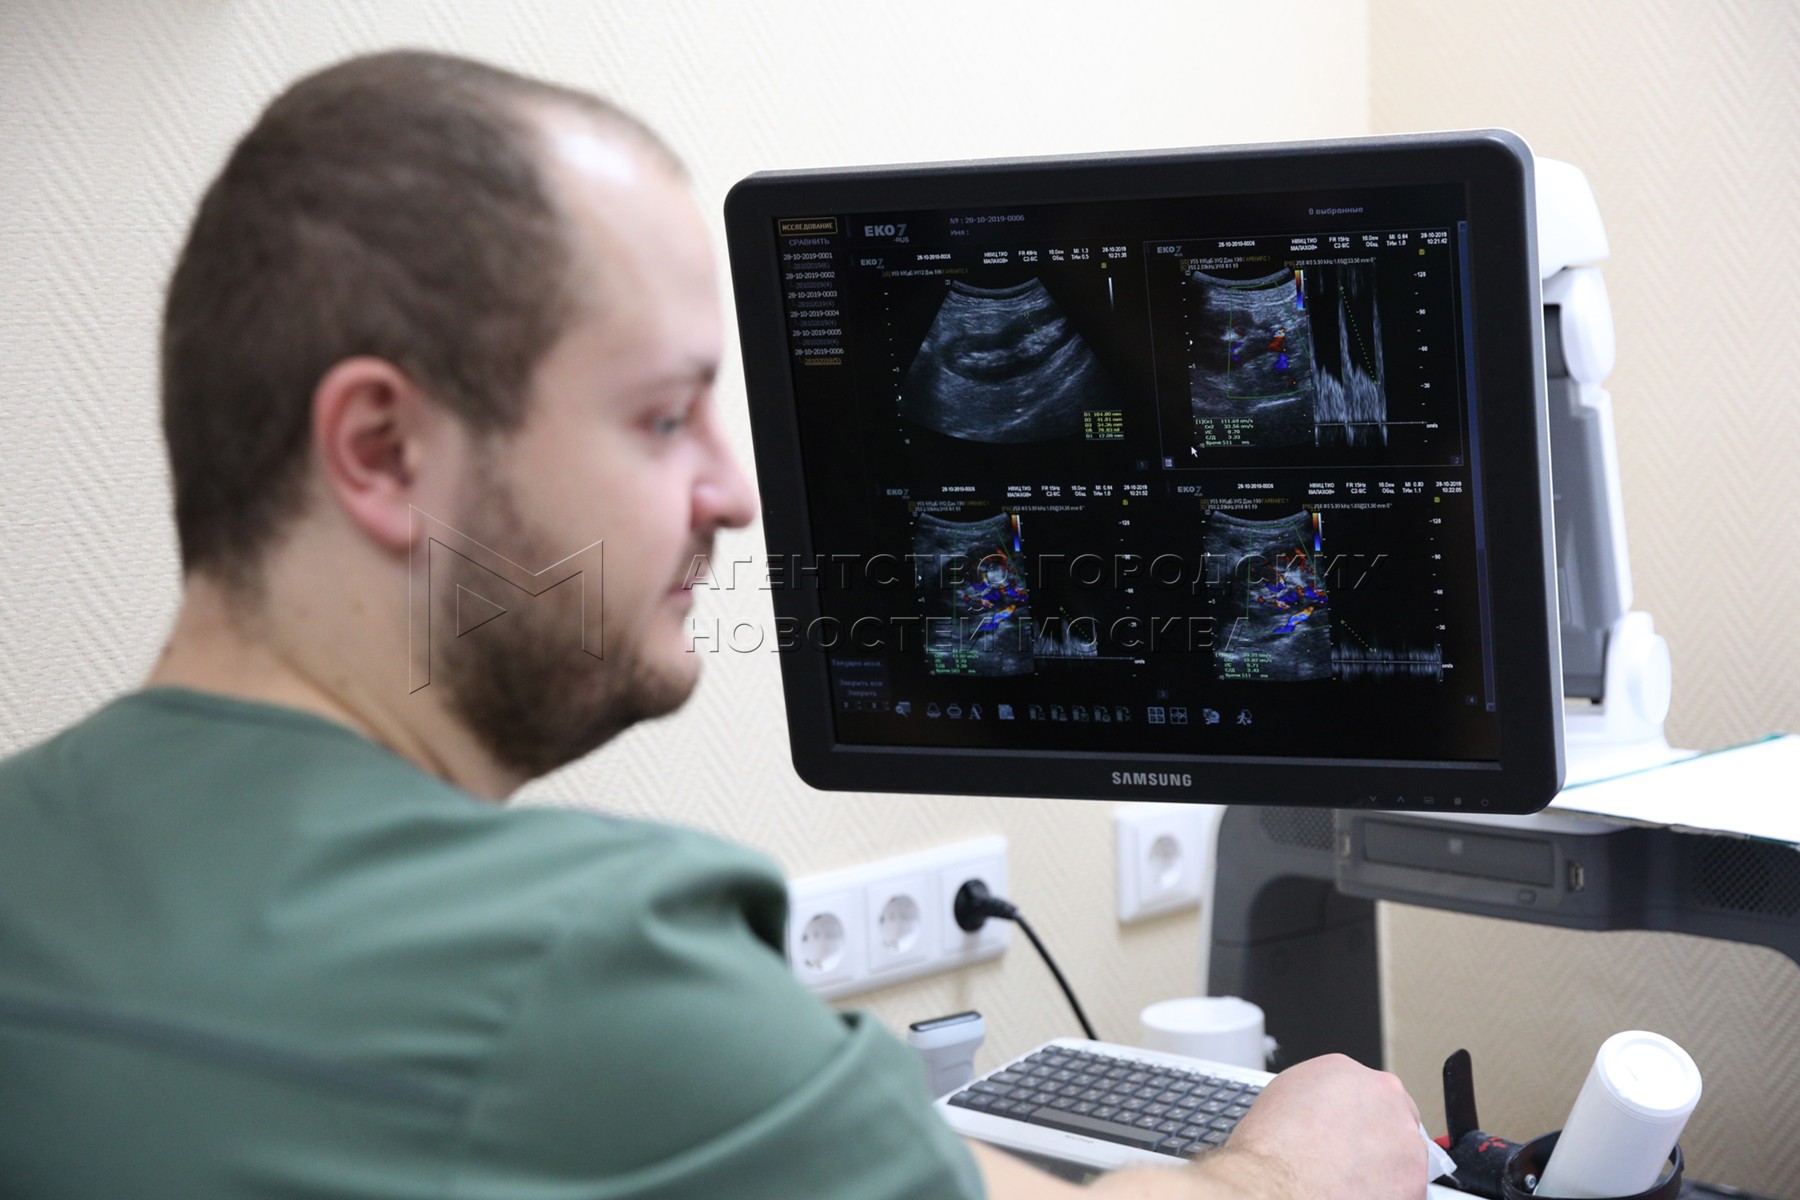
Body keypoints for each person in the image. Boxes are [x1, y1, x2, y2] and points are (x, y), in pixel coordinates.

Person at [0, 50, 1428, 1199]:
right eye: (662, 416)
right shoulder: (579, 960)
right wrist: (1286, 1169)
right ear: (382, 450)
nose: (734, 495)